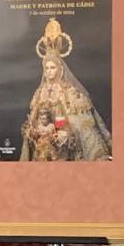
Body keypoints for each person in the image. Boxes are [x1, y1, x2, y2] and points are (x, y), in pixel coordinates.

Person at [19, 18, 113, 161]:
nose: (49, 71)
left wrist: (67, 133)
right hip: (43, 144)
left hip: (63, 145)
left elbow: (81, 123)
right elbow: (34, 119)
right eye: (47, 68)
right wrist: (33, 131)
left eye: (53, 67)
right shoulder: (40, 92)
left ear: (60, 69)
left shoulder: (69, 92)